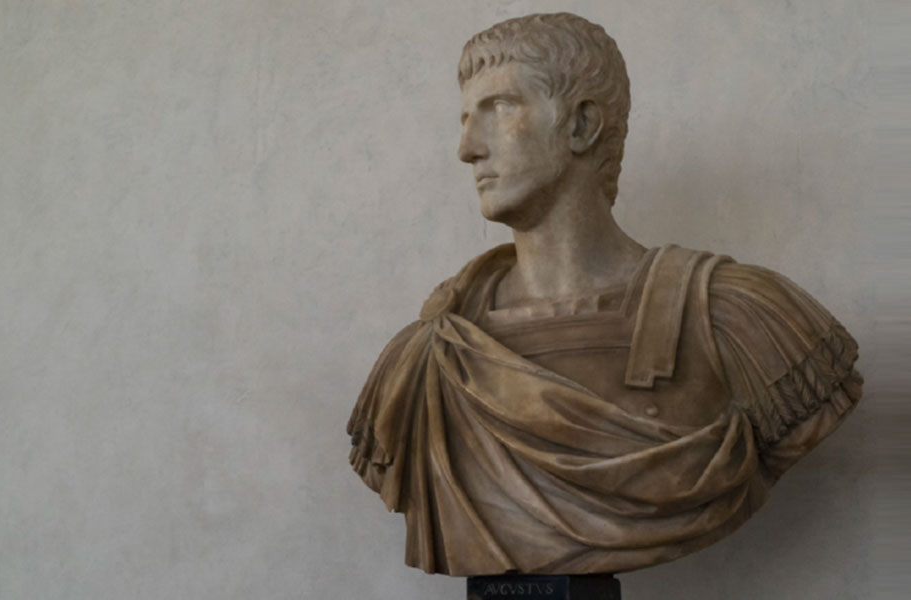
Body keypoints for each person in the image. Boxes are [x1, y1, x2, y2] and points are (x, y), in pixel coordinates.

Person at [347, 12, 862, 576]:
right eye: (466, 119)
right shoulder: (426, 361)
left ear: (581, 125)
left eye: (501, 108)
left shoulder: (737, 318)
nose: (467, 148)